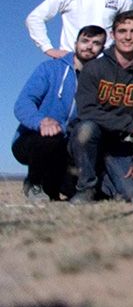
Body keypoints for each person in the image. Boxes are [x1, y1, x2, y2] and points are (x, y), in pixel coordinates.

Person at [69, 11, 133, 203]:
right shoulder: (94, 68)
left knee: (132, 195)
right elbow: (87, 110)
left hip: (120, 145)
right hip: (90, 139)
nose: (128, 37)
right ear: (113, 34)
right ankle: (86, 187)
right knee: (85, 129)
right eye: (122, 31)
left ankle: (105, 180)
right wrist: (129, 125)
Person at [13, 25, 106, 201]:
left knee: (72, 192)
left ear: (102, 48)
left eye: (96, 43)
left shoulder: (101, 79)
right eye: (85, 41)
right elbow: (23, 103)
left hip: (71, 147)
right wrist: (41, 121)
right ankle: (34, 182)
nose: (89, 46)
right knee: (50, 136)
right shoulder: (49, 69)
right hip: (35, 139)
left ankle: (54, 185)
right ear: (76, 42)